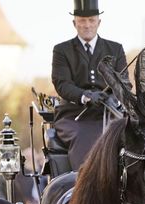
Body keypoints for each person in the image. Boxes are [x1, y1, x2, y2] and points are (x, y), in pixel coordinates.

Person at [51, 0, 128, 169]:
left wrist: (111, 98)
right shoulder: (62, 50)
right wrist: (85, 96)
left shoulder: (115, 49)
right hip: (73, 116)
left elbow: (124, 84)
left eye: (91, 20)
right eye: (82, 21)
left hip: (110, 114)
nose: (87, 25)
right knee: (84, 136)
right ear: (74, 23)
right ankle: (84, 184)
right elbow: (62, 84)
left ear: (98, 22)